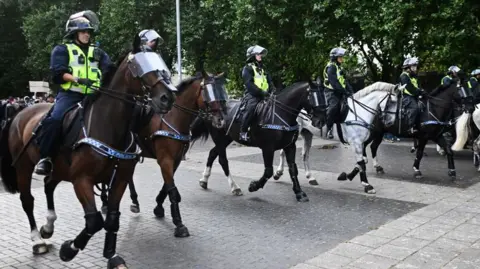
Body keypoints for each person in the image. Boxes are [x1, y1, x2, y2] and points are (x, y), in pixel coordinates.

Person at [34, 10, 112, 175]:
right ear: (75, 33)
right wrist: (78, 79)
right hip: (71, 95)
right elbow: (58, 73)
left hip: (94, 96)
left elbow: (110, 70)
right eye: (83, 32)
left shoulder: (98, 52)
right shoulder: (62, 50)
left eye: (89, 32)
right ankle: (45, 158)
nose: (87, 35)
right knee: (55, 119)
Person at [239, 45, 275, 141]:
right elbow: (249, 84)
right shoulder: (247, 68)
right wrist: (260, 92)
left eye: (260, 55)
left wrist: (272, 90)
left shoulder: (263, 68)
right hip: (253, 95)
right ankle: (243, 132)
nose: (260, 56)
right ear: (252, 56)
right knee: (251, 108)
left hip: (266, 95)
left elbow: (269, 81)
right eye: (258, 54)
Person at [323, 47, 353, 139]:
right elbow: (335, 83)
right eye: (340, 57)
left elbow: (344, 81)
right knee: (334, 107)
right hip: (331, 92)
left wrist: (351, 92)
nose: (342, 59)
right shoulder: (331, 67)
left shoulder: (338, 67)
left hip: (339, 91)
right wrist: (345, 92)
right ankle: (328, 129)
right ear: (335, 58)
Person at [399, 57, 424, 134]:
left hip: (414, 96)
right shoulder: (404, 76)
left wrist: (422, 91)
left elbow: (417, 86)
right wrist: (419, 92)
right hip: (407, 97)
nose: (415, 68)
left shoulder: (414, 76)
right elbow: (410, 88)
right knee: (414, 108)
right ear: (408, 68)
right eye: (413, 66)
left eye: (415, 66)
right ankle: (410, 127)